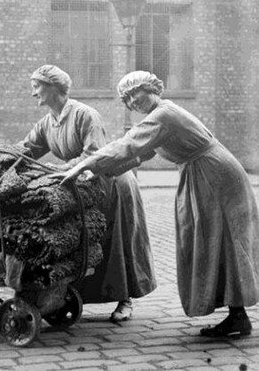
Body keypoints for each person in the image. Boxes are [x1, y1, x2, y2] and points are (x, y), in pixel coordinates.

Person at [55, 70, 259, 337]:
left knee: (224, 241)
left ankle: (238, 316)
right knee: (212, 241)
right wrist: (96, 172)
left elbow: (128, 144)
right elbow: (141, 154)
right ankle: (237, 316)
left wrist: (85, 163)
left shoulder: (163, 115)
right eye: (125, 99)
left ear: (151, 88)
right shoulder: (160, 116)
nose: (131, 103)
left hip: (215, 176)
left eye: (134, 94)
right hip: (204, 173)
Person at [21, 65, 156, 322]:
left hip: (111, 184)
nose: (32, 93)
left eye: (36, 86)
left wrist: (58, 170)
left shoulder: (85, 115)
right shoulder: (47, 123)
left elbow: (93, 154)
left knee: (115, 240)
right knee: (86, 241)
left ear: (53, 87)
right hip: (80, 185)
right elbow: (25, 150)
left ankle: (125, 300)